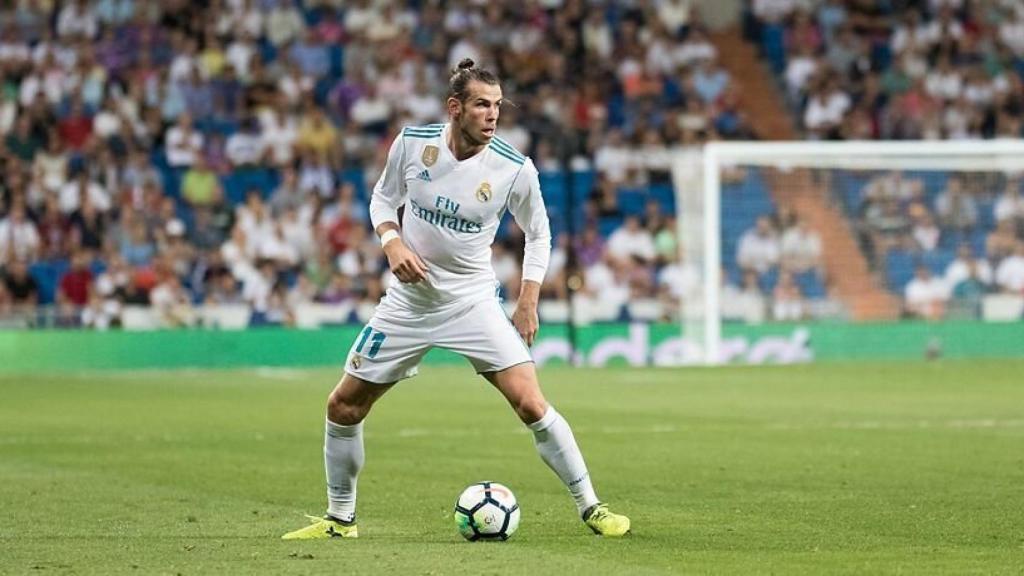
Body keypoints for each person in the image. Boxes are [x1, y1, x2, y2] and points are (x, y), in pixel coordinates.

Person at [282, 59, 630, 540]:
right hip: (409, 303)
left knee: (531, 404)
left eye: (498, 106)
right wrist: (392, 242)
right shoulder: (412, 144)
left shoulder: (513, 168)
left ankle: (591, 507)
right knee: (342, 406)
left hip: (472, 303)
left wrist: (528, 299)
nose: (493, 115)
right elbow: (382, 199)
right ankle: (341, 520)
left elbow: (539, 234)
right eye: (482, 105)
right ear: (455, 107)